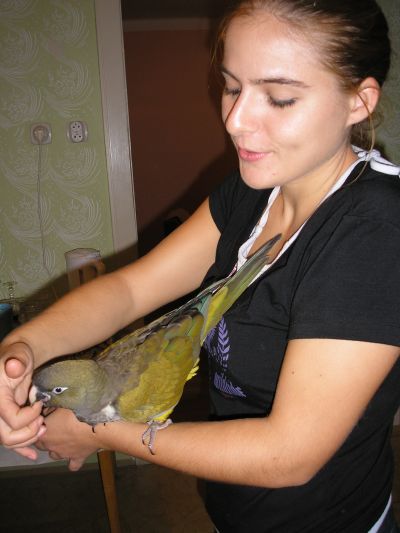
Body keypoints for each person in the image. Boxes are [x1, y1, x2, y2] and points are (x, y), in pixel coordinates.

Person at [1, 0, 399, 530]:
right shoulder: (252, 191)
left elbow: (288, 455)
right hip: (233, 507)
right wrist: (19, 352)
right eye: (232, 87)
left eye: (279, 98)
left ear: (359, 101)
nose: (235, 120)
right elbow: (130, 291)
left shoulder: (375, 232)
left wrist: (98, 431)